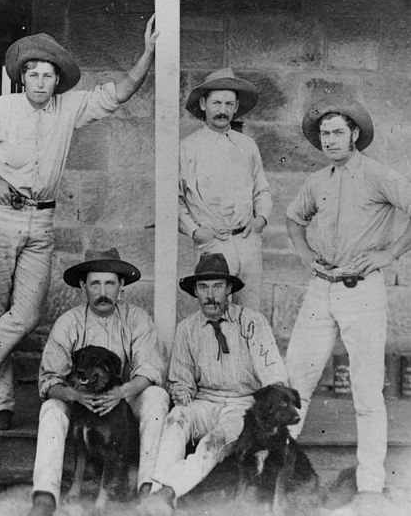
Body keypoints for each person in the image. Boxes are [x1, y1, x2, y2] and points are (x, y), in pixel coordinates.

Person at [0, 16, 158, 430]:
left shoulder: (69, 107)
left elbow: (119, 92)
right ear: (21, 77)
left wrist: (148, 53)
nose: (40, 81)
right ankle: (0, 407)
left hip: (41, 220)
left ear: (57, 80)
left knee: (27, 314)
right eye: (32, 74)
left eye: (48, 75)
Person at [285, 95, 411, 506]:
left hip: (364, 291)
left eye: (338, 132)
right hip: (322, 288)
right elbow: (293, 218)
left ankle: (370, 487)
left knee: (367, 393)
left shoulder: (378, 175)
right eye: (324, 134)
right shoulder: (318, 181)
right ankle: (279, 474)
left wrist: (389, 254)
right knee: (294, 384)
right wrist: (305, 255)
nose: (330, 140)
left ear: (355, 134)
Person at [138, 252, 288, 516]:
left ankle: (167, 492)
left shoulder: (252, 323)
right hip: (204, 402)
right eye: (203, 287)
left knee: (213, 442)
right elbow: (180, 380)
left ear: (229, 289)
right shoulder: (187, 329)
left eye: (218, 286)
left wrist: (264, 419)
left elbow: (274, 379)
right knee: (176, 419)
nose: (211, 295)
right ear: (195, 291)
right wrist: (181, 390)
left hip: (243, 405)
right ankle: (155, 497)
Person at [27, 248, 169, 516]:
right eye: (95, 283)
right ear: (83, 286)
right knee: (51, 409)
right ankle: (45, 495)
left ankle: (147, 487)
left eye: (110, 283)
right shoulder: (68, 322)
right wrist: (74, 395)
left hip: (124, 400)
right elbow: (49, 380)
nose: (103, 291)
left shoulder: (136, 319)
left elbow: (149, 367)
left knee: (157, 397)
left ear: (121, 285)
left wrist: (122, 392)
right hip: (78, 397)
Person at [179, 68, 272, 312]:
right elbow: (175, 200)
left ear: (236, 106)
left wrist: (261, 219)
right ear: (203, 103)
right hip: (212, 244)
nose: (223, 110)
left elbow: (261, 189)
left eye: (229, 104)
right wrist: (196, 231)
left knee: (250, 313)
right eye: (216, 102)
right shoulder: (187, 148)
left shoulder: (247, 145)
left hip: (247, 241)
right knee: (214, 312)